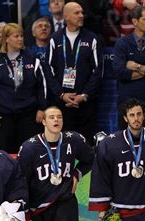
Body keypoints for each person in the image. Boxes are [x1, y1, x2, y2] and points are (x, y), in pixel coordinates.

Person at [0, 23, 47, 153]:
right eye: (16, 36)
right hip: (2, 115)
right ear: (7, 39)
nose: (20, 39)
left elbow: (42, 84)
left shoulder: (31, 57)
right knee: (3, 152)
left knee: (28, 151)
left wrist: (42, 108)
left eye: (22, 36)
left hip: (28, 114)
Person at [45, 2, 103, 144]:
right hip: (62, 103)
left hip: (85, 103)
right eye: (77, 13)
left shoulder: (92, 39)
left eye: (82, 12)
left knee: (85, 143)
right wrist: (61, 94)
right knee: (64, 143)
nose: (81, 16)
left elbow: (98, 71)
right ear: (66, 16)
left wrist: (84, 95)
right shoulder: (55, 39)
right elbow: (48, 70)